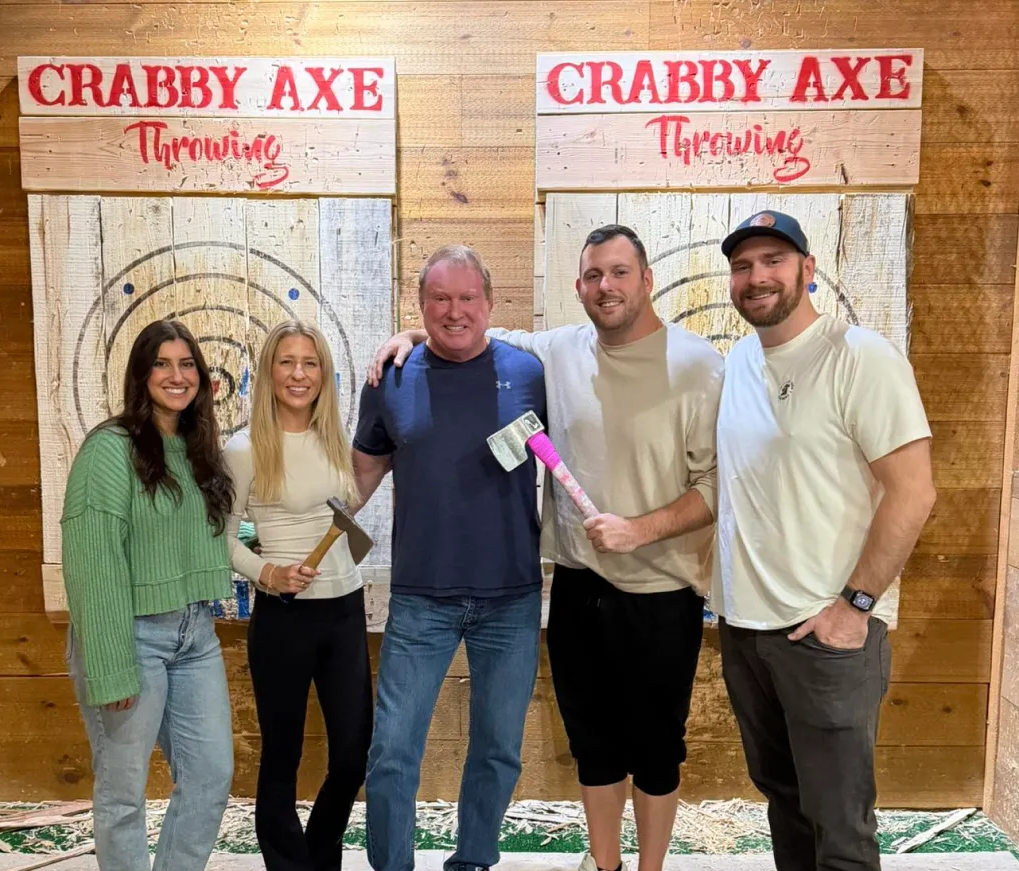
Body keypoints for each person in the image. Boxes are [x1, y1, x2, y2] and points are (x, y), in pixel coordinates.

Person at [368, 225, 724, 871]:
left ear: (646, 279)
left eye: (619, 272)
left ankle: (636, 867)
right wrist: (410, 336)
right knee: (591, 743)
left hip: (653, 588)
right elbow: (461, 335)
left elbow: (717, 484)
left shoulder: (695, 363)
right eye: (593, 275)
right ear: (579, 286)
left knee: (649, 745)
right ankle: (602, 862)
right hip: (571, 583)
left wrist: (640, 529)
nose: (606, 286)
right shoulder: (553, 353)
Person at [711, 210, 937, 871]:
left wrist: (855, 606)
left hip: (824, 636)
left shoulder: (860, 357)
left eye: (774, 260)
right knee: (786, 801)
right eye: (743, 265)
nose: (757, 277)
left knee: (840, 829)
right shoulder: (741, 361)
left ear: (808, 270)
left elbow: (914, 492)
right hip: (748, 632)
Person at [353, 245, 547, 871]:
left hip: (511, 597)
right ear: (421, 305)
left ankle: (473, 861)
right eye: (439, 299)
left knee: (497, 749)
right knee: (392, 751)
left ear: (490, 304)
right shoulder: (390, 378)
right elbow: (359, 479)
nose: (454, 311)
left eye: (467, 298)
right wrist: (295, 538)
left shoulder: (529, 371)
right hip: (420, 598)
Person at [61, 319, 235, 871]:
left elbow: (189, 532)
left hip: (195, 635)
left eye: (187, 364)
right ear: (141, 374)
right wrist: (110, 665)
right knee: (123, 791)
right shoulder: (109, 450)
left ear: (202, 378)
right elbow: (94, 562)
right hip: (130, 637)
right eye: (162, 363)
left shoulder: (197, 448)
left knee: (210, 775)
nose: (176, 375)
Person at [224, 320, 372, 871]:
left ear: (324, 374)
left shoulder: (337, 438)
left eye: (310, 363)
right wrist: (267, 573)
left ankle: (315, 856)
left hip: (344, 610)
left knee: (353, 755)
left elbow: (346, 516)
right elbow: (221, 540)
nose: (298, 374)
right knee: (282, 755)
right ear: (268, 371)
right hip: (284, 616)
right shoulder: (243, 449)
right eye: (286, 362)